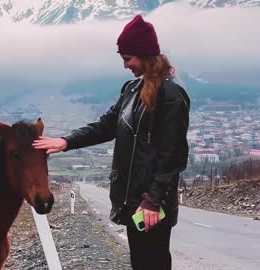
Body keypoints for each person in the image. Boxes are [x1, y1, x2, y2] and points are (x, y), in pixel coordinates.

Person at [32, 15, 190, 270]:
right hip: (135, 202)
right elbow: (106, 126)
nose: (126, 65)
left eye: (127, 59)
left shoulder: (170, 95)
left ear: (144, 55)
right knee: (141, 262)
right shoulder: (132, 90)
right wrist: (65, 141)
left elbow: (173, 156)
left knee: (154, 263)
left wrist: (153, 200)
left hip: (151, 204)